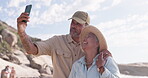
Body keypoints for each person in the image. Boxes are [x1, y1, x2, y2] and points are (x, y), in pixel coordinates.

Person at [17, 11, 112, 78]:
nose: (73, 26)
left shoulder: (91, 47)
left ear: (86, 27)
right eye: (72, 23)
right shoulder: (56, 41)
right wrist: (22, 32)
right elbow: (31, 49)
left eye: (78, 24)